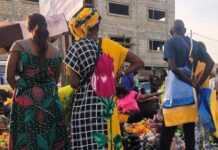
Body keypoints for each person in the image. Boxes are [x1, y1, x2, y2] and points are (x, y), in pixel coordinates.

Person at [64, 6, 144, 149]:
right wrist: (120, 74)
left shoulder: (77, 47)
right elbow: (139, 62)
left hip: (85, 109)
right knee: (108, 142)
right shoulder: (110, 45)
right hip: (107, 109)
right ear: (97, 24)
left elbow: (74, 83)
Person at [6, 14, 69, 150]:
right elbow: (55, 79)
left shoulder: (19, 46)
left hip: (26, 104)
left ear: (29, 28)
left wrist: (23, 91)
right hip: (50, 103)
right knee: (49, 139)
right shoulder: (56, 52)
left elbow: (9, 77)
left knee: (27, 140)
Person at [160, 20, 214, 150]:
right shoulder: (194, 45)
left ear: (172, 31)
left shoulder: (170, 42)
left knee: (166, 135)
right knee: (189, 134)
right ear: (184, 31)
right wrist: (197, 83)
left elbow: (173, 68)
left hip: (173, 97)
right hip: (190, 96)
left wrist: (190, 82)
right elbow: (210, 63)